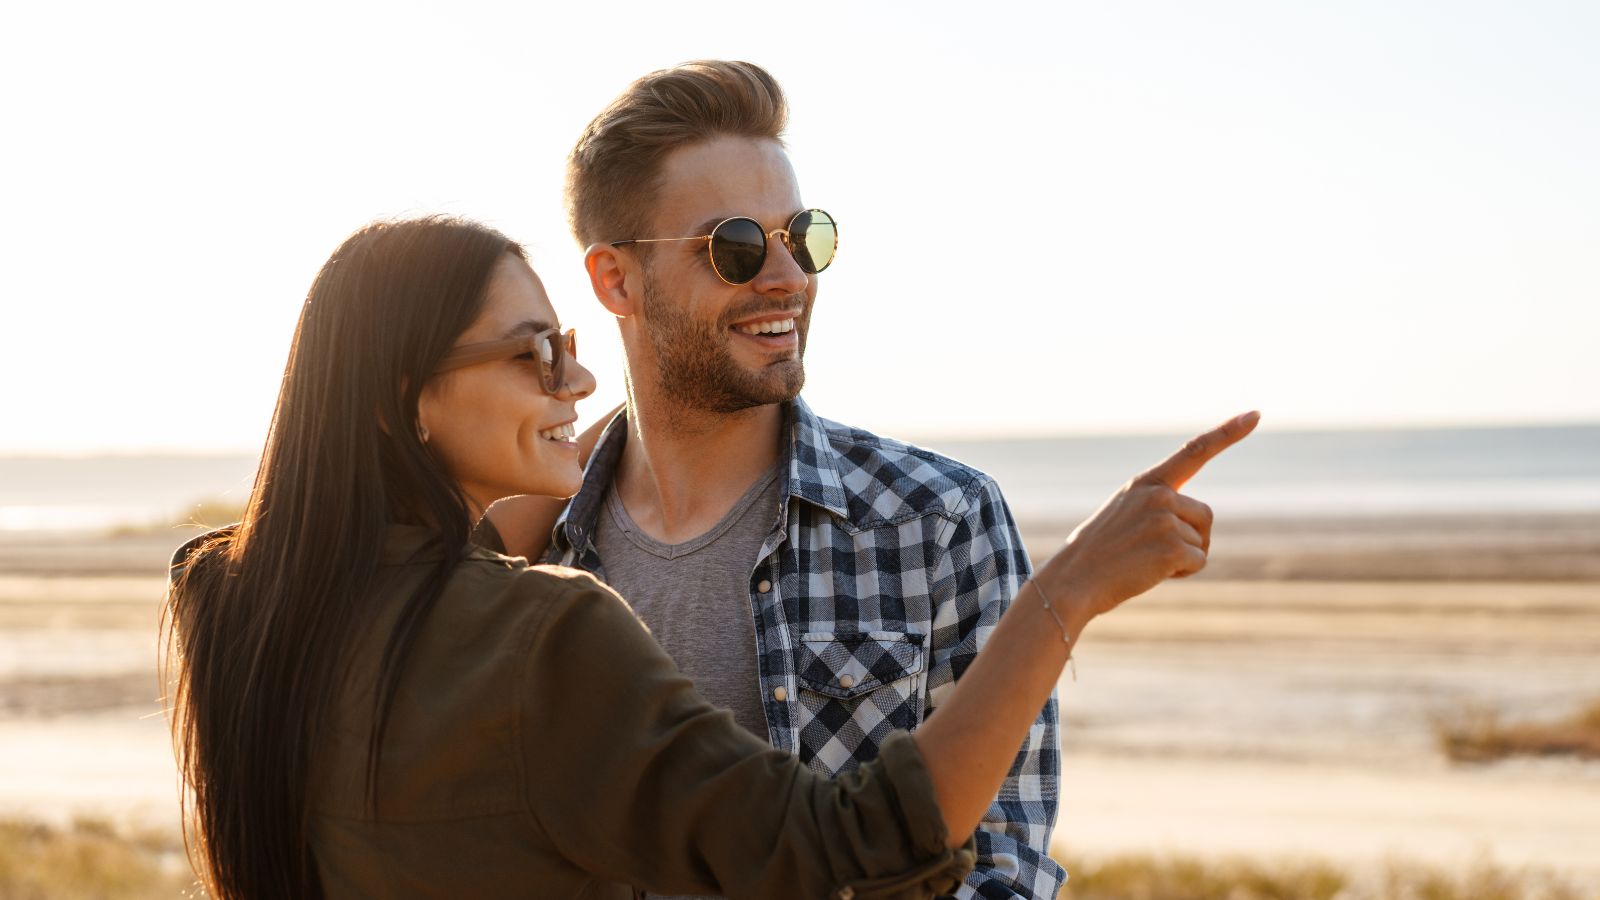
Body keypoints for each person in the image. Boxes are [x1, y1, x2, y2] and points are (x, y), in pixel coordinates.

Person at [163, 216, 1256, 899]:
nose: (576, 387)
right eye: (531, 354)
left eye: (569, 351)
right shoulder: (542, 631)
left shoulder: (234, 599)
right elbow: (851, 845)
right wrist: (1064, 596)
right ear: (405, 402)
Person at [500, 59, 1055, 898]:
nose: (790, 277)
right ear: (616, 280)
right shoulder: (531, 560)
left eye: (804, 237)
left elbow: (1007, 864)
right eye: (737, 247)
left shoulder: (940, 521)